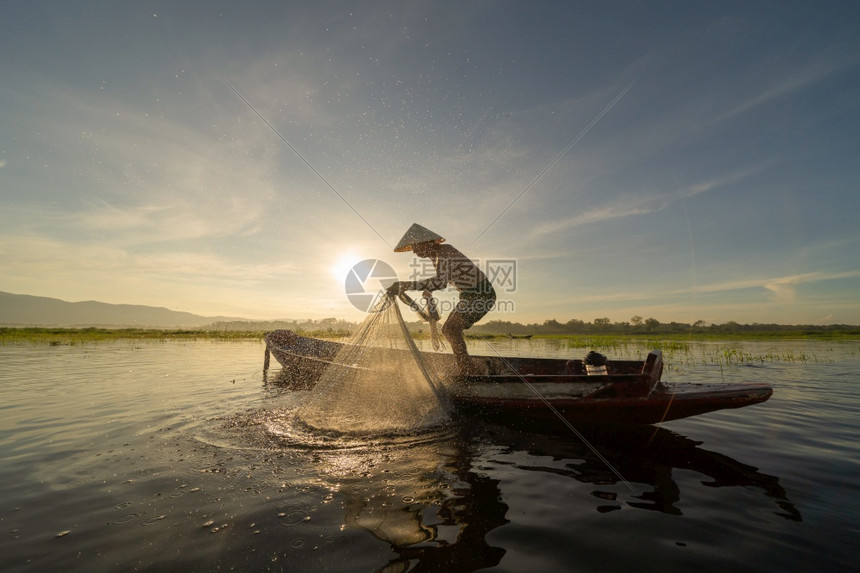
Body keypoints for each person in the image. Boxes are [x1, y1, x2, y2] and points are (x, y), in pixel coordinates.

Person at [386, 223, 496, 375]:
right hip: (468, 295)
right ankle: (468, 366)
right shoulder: (436, 257)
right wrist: (427, 290)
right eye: (413, 248)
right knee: (448, 330)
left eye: (417, 247)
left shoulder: (445, 251)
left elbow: (440, 282)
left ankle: (467, 370)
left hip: (481, 294)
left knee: (451, 329)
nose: (415, 251)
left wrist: (406, 285)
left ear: (428, 243)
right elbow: (442, 279)